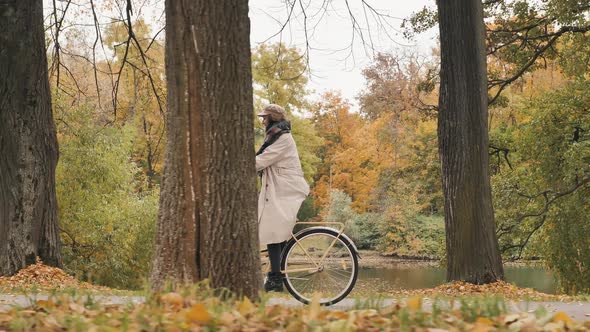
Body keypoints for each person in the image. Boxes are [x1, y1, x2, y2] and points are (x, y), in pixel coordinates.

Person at [256, 104, 310, 292]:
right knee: (276, 234)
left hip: (287, 190)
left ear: (272, 118)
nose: (262, 121)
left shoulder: (283, 138)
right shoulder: (275, 135)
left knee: (272, 232)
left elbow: (263, 160)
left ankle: (276, 278)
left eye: (265, 117)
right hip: (280, 189)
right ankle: (275, 276)